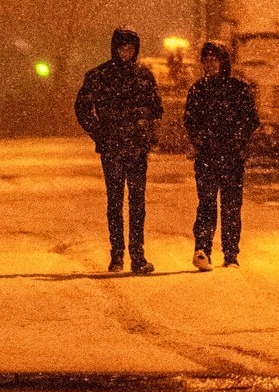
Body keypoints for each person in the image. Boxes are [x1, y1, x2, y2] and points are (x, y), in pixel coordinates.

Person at [75, 28, 163, 273]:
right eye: (123, 48)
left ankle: (137, 255)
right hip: (114, 147)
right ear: (115, 49)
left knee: (137, 202)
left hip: (135, 147)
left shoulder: (143, 75)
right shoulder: (100, 76)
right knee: (115, 201)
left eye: (130, 49)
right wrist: (99, 132)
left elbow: (156, 108)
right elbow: (83, 108)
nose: (126, 53)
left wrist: (148, 134)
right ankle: (117, 256)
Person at [184, 41, 259, 269]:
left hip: (231, 156)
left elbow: (250, 120)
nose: (210, 64)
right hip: (207, 155)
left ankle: (231, 254)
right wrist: (199, 139)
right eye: (206, 60)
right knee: (206, 203)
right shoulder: (198, 89)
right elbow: (190, 120)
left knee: (231, 206)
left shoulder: (238, 89)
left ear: (223, 62)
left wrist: (237, 140)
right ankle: (203, 250)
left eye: (214, 60)